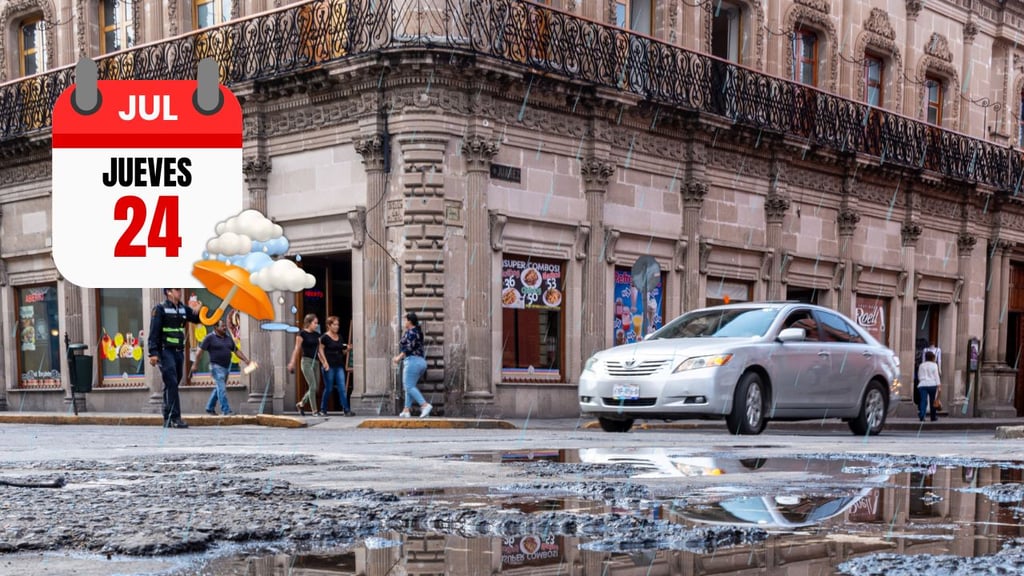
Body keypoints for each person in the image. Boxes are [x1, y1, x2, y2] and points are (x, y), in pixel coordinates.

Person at [147, 288, 202, 429]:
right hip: (165, 351)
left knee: (173, 382)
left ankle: (167, 416)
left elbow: (198, 319)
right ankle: (175, 417)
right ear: (169, 292)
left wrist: (200, 309)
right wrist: (153, 353)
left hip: (178, 351)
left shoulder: (184, 309)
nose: (180, 292)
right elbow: (154, 332)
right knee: (171, 382)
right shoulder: (159, 309)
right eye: (177, 289)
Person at [192, 319, 250, 416]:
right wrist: (195, 364)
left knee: (218, 388)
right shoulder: (209, 338)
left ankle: (209, 408)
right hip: (215, 367)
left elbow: (236, 350)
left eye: (224, 326)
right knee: (222, 389)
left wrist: (246, 360)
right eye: (222, 326)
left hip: (226, 368)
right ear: (215, 328)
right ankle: (226, 410)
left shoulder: (228, 338)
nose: (224, 328)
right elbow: (199, 352)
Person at [393, 311, 432, 418]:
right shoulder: (416, 331)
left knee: (409, 386)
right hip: (420, 362)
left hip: (412, 361)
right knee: (409, 386)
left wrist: (398, 358)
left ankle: (424, 405)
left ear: (409, 321)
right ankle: (406, 410)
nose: (404, 322)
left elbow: (408, 348)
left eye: (405, 320)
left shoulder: (411, 333)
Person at [288, 314, 327, 416]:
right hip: (306, 362)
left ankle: (301, 404)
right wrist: (292, 362)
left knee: (316, 387)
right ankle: (315, 411)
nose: (316, 325)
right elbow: (297, 349)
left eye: (317, 323)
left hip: (316, 362)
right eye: (315, 323)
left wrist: (324, 362)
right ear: (309, 323)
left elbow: (319, 350)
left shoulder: (317, 335)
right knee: (312, 385)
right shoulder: (301, 334)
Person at [319, 315, 353, 416]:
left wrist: (347, 350)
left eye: (337, 325)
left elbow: (341, 351)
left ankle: (346, 409)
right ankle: (323, 409)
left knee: (342, 388)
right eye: (334, 325)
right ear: (329, 325)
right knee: (329, 388)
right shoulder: (324, 337)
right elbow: (320, 351)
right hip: (329, 366)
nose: (337, 327)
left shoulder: (340, 337)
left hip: (339, 366)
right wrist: (325, 363)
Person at [917, 350, 941, 422]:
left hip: (922, 384)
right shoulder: (934, 365)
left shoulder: (921, 365)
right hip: (932, 384)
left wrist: (921, 380)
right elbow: (936, 376)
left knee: (923, 400)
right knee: (932, 401)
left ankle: (922, 415)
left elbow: (919, 375)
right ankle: (933, 417)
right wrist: (939, 385)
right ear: (932, 358)